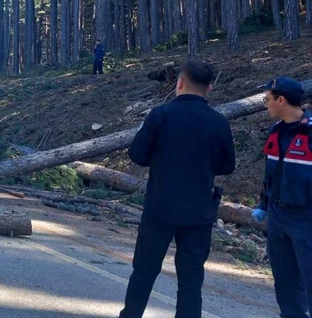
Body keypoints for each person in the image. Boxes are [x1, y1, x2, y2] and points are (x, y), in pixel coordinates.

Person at [118, 60, 236, 318]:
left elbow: (137, 155)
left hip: (161, 206)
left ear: (179, 83)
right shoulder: (219, 122)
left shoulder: (160, 115)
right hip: (199, 212)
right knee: (191, 281)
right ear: (210, 89)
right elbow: (228, 165)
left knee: (144, 271)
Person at [250, 77, 311, 318]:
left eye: (268, 100)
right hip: (277, 217)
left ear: (281, 100)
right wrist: (264, 206)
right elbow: (271, 177)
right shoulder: (275, 133)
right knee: (285, 283)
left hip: (306, 219)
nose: (266, 105)